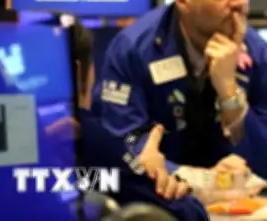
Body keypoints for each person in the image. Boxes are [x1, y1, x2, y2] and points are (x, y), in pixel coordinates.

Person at [95, 0, 267, 185]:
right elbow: (120, 144)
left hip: (238, 200)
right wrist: (195, 180)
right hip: (161, 198)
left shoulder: (262, 56)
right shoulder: (133, 50)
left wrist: (230, 95)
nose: (239, 1)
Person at [70, 22, 208, 221]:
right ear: (79, 73)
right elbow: (191, 214)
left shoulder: (28, 153)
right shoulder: (94, 144)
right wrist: (148, 174)